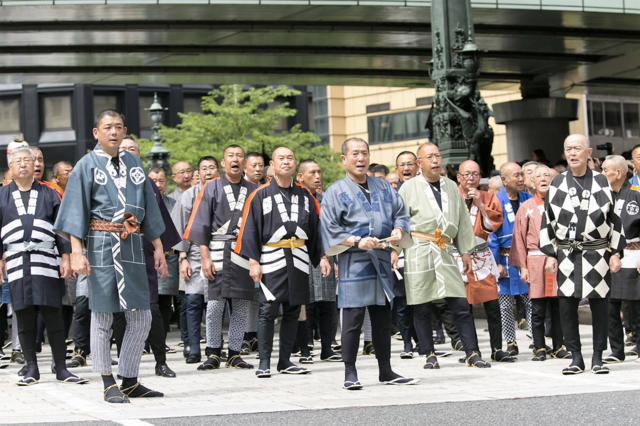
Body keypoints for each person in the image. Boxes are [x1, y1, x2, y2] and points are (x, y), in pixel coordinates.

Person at [54, 109, 167, 403]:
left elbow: (150, 211)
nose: (113, 132)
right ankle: (107, 380)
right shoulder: (85, 165)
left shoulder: (135, 164)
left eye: (119, 127)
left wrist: (158, 248)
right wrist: (77, 252)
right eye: (107, 127)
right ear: (96, 132)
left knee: (141, 316)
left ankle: (129, 379)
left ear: (125, 130)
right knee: (103, 314)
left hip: (131, 243)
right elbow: (75, 210)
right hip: (101, 242)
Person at [322, 137, 417, 390]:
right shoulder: (334, 191)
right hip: (354, 261)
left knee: (382, 318)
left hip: (383, 258)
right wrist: (355, 241)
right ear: (344, 159)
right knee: (352, 318)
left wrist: (398, 229)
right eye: (355, 154)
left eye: (364, 153)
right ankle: (349, 372)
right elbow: (329, 226)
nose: (360, 158)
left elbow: (401, 212)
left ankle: (385, 370)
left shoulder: (384, 187)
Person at [398, 143, 490, 370]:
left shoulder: (450, 186)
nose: (435, 160)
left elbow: (461, 221)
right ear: (420, 163)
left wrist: (465, 251)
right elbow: (399, 221)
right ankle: (428, 353)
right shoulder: (408, 188)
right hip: (418, 249)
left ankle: (472, 352)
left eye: (437, 155)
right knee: (421, 305)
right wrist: (395, 251)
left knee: (459, 303)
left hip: (446, 249)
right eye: (429, 157)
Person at [0, 146, 86, 386]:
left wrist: (66, 257)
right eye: (18, 161)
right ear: (11, 167)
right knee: (24, 313)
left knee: (53, 313)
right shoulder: (2, 195)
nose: (24, 164)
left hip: (46, 260)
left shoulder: (50, 193)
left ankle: (61, 367)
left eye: (28, 160)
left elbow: (61, 228)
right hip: (16, 261)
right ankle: (31, 368)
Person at [235, 146, 324, 378]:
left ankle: (285, 361)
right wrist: (254, 262)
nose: (286, 162)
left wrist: (322, 256)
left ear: (295, 164)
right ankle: (264, 361)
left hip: (300, 258)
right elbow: (250, 229)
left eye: (290, 158)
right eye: (281, 159)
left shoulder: (305, 195)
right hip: (271, 257)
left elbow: (315, 229)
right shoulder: (259, 194)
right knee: (268, 310)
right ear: (272, 166)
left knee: (294, 311)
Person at [540, 134, 625, 375]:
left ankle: (598, 356)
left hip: (597, 252)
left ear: (588, 153)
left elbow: (614, 219)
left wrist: (616, 252)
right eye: (568, 149)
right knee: (566, 305)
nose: (572, 153)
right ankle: (576, 357)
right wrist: (549, 254)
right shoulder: (557, 183)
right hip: (566, 253)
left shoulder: (601, 181)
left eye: (577, 148)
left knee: (601, 306)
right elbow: (548, 221)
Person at [112, 138, 181, 379]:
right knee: (119, 310)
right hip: (116, 249)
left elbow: (156, 218)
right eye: (123, 149)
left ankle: (160, 361)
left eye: (132, 149)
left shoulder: (147, 183)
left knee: (152, 308)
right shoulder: (107, 180)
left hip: (144, 249)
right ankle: (124, 363)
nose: (128, 153)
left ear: (138, 155)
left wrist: (160, 249)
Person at [184, 145, 257, 370]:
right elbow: (201, 225)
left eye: (239, 156)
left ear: (244, 163)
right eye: (230, 156)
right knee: (214, 305)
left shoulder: (255, 189)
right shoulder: (210, 188)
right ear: (223, 163)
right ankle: (213, 352)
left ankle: (235, 353)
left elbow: (258, 227)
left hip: (243, 251)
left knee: (241, 304)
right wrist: (204, 258)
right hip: (216, 250)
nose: (235, 160)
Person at [510, 165, 570, 361]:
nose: (543, 179)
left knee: (557, 305)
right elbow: (519, 238)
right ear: (532, 182)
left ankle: (559, 344)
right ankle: (539, 346)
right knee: (537, 307)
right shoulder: (526, 207)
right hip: (535, 259)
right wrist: (523, 266)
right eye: (538, 176)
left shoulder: (562, 204)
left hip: (558, 259)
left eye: (547, 175)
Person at [456, 160, 513, 363]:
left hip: (482, 255)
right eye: (467, 174)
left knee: (492, 305)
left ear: (480, 178)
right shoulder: (451, 197)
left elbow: (492, 226)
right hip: (459, 256)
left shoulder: (489, 197)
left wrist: (480, 204)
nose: (471, 178)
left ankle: (497, 348)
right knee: (464, 307)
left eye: (475, 174)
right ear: (459, 177)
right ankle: (472, 351)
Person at [171, 156, 219, 364]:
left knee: (216, 303)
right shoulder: (188, 196)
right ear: (197, 173)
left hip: (219, 253)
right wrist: (182, 257)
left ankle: (214, 346)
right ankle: (192, 346)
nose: (208, 171)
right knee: (193, 301)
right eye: (203, 168)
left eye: (212, 167)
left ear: (218, 170)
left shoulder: (225, 192)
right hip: (193, 254)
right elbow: (179, 228)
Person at [296, 159, 342, 362]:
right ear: (300, 177)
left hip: (326, 256)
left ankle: (327, 347)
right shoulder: (294, 201)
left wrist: (334, 259)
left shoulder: (327, 202)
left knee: (327, 304)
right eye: (312, 172)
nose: (317, 176)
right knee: (305, 305)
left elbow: (334, 232)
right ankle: (305, 347)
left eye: (319, 172)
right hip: (300, 257)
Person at [489, 162, 533, 356]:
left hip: (527, 259)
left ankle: (536, 338)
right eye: (516, 175)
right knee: (505, 303)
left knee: (531, 300)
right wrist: (496, 261)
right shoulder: (495, 201)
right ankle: (510, 341)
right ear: (504, 180)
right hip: (505, 258)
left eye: (522, 175)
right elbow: (489, 234)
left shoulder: (528, 198)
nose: (521, 179)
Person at [601, 155, 640, 364]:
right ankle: (616, 350)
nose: (603, 174)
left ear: (618, 173)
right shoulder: (602, 196)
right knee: (610, 305)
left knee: (637, 305)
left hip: (634, 252)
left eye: (606, 170)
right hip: (607, 255)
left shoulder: (636, 194)